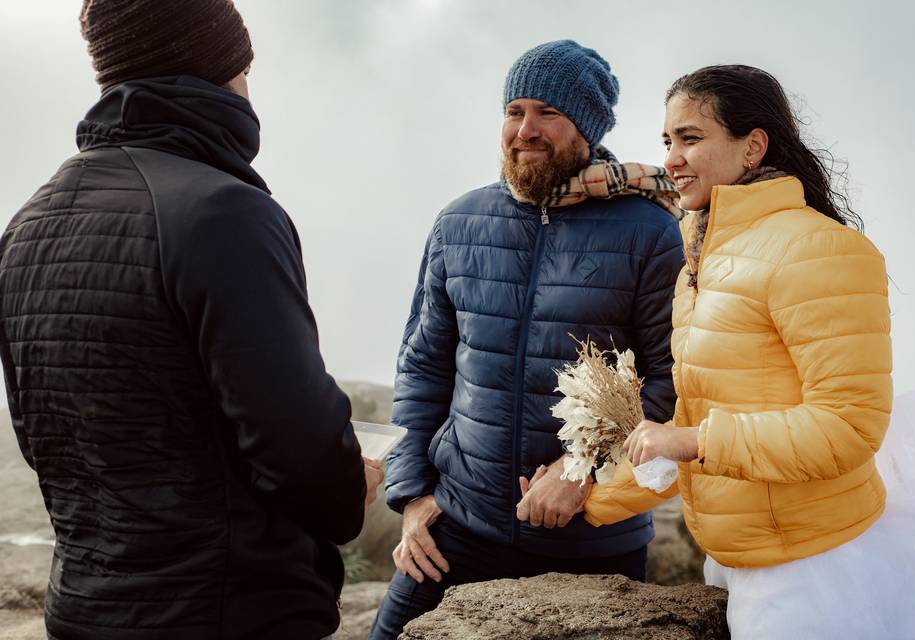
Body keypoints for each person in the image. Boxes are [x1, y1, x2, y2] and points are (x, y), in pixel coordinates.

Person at [0, 1, 382, 638]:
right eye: (244, 66)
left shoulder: (26, 226)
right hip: (227, 613)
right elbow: (299, 448)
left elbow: (44, 436)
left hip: (82, 610)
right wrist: (349, 486)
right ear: (217, 66)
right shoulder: (224, 213)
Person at [584, 64, 915, 638]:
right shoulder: (700, 263)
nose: (672, 158)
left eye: (690, 138)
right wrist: (589, 498)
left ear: (753, 147)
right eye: (667, 140)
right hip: (735, 558)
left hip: (813, 572)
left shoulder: (820, 249)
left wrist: (692, 440)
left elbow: (849, 426)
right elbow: (690, 423)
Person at [370, 40, 685, 639]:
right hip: (458, 527)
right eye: (514, 112)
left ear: (586, 128)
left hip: (593, 541)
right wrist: (412, 496)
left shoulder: (650, 232)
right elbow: (422, 368)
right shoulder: (460, 222)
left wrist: (581, 467)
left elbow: (674, 379)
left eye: (548, 113)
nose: (526, 129)